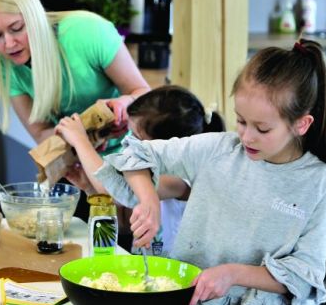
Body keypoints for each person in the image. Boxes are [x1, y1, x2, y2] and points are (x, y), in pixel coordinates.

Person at [94, 39, 326, 305]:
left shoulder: (319, 182)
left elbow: (303, 275)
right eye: (241, 121)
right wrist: (148, 199)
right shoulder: (217, 150)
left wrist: (233, 274)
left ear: (301, 124)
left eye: (262, 128)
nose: (246, 137)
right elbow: (134, 153)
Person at [0, 0, 150, 146]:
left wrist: (126, 103)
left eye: (17, 28)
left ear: (34, 16)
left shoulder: (89, 33)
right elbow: (41, 135)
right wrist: (86, 135)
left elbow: (143, 94)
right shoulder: (6, 66)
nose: (9, 44)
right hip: (77, 163)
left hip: (132, 152)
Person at [55, 85, 224, 257]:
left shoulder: (180, 179)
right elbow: (124, 225)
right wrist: (89, 188)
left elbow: (117, 189)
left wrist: (80, 140)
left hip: (170, 274)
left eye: (136, 137)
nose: (128, 145)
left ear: (166, 146)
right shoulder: (143, 175)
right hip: (143, 266)